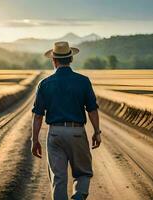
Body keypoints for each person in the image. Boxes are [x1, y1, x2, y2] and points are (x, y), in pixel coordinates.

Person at [31, 41, 102, 200]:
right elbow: (92, 109)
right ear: (71, 59)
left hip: (55, 134)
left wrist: (34, 140)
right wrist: (97, 132)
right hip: (77, 132)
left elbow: (37, 116)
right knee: (83, 173)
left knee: (58, 178)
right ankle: (78, 197)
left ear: (53, 61)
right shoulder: (83, 81)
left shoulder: (44, 84)